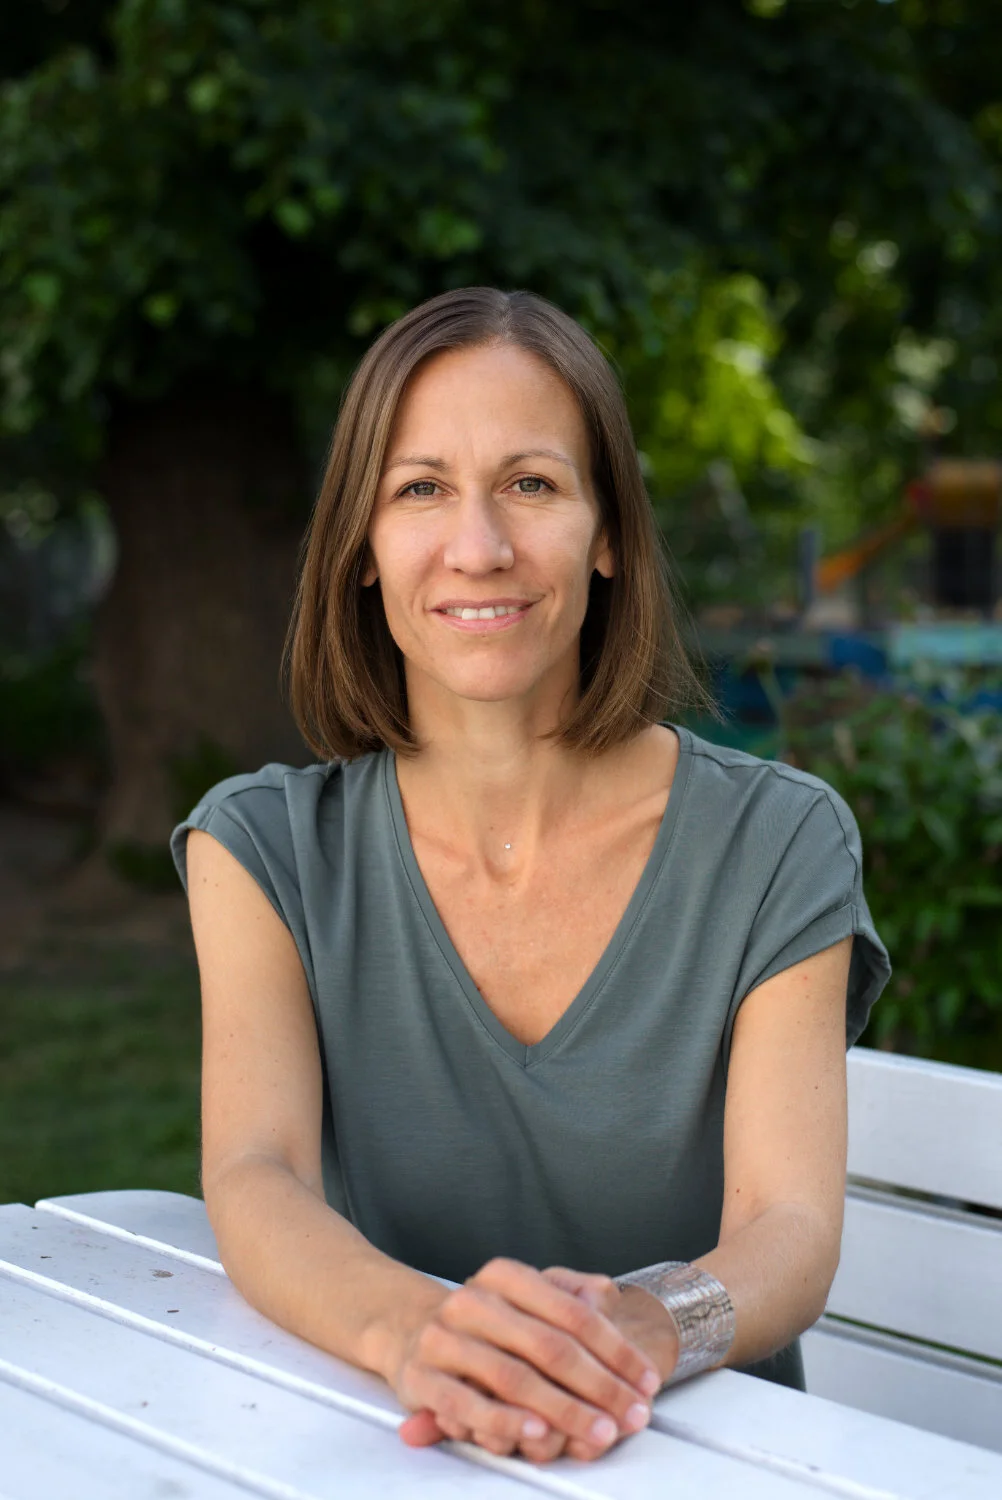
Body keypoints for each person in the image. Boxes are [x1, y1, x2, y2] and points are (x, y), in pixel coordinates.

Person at [170, 286, 890, 1467]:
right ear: (361, 544)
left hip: (700, 1465)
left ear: (608, 534)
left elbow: (787, 1224)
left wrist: (639, 1331)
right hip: (389, 1453)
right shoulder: (260, 852)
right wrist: (423, 1335)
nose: (479, 546)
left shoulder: (779, 844)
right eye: (421, 489)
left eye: (532, 484)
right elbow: (261, 1174)